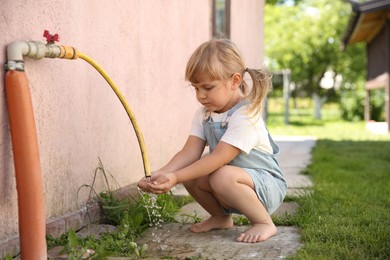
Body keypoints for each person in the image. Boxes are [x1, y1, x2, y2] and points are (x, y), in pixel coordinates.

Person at [138, 39, 287, 243]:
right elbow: (189, 152)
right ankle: (220, 217)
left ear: (235, 81)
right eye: (196, 88)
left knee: (220, 174)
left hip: (265, 186)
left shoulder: (245, 115)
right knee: (193, 173)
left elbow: (218, 158)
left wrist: (176, 177)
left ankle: (263, 222)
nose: (201, 95)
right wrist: (164, 173)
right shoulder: (205, 114)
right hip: (232, 182)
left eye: (208, 87)